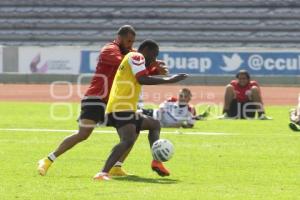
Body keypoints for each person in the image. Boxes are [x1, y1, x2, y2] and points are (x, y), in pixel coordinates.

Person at [37, 25, 163, 177]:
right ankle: (47, 160)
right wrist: (148, 65)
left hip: (115, 103)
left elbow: (139, 72)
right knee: (83, 134)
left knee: (133, 131)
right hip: (96, 98)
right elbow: (123, 64)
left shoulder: (130, 52)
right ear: (119, 38)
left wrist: (154, 69)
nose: (131, 44)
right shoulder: (109, 49)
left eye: (133, 41)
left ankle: (116, 167)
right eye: (129, 41)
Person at [93, 40, 188, 181]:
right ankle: (102, 173)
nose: (154, 59)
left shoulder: (134, 59)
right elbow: (142, 79)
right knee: (128, 140)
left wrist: (157, 70)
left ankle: (156, 162)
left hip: (126, 108)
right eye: (154, 55)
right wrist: (170, 79)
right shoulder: (136, 56)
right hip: (120, 107)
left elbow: (142, 76)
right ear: (147, 50)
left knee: (154, 124)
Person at [141, 88, 209, 128]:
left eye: (185, 96)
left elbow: (190, 124)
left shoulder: (190, 109)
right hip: (153, 115)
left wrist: (182, 125)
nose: (182, 98)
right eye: (180, 96)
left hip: (160, 124)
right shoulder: (171, 100)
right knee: (137, 112)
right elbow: (161, 108)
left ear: (189, 98)